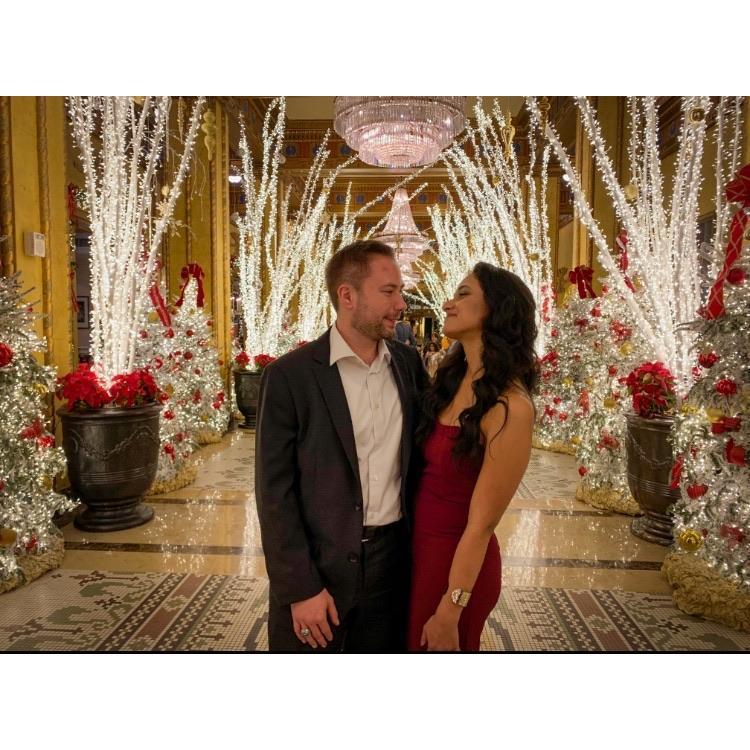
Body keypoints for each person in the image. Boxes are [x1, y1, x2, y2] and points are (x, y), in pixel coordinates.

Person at [255, 239, 427, 652]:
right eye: (388, 292)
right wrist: (301, 588)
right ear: (347, 296)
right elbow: (274, 493)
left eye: (400, 291)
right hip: (318, 572)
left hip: (392, 571)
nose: (400, 304)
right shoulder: (290, 377)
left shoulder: (408, 366)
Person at [407, 262, 538, 652]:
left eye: (463, 295)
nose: (448, 303)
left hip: (454, 568)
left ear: (496, 309)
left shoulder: (510, 407)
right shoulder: (450, 381)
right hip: (416, 552)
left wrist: (451, 609)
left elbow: (482, 525)